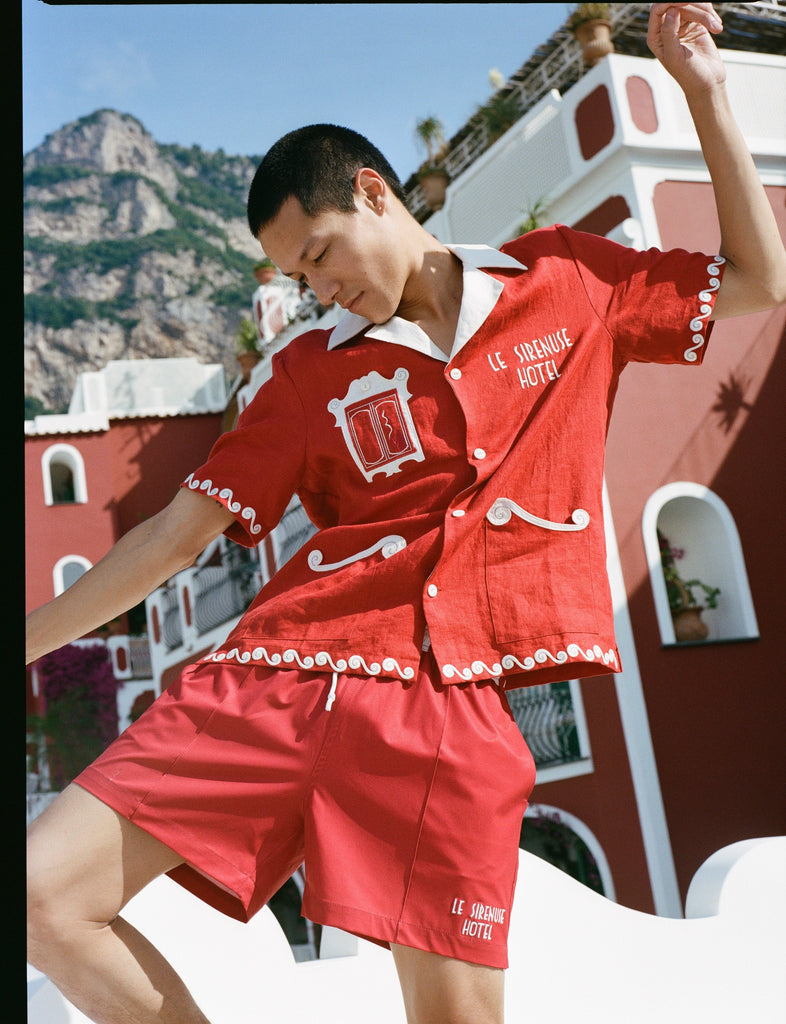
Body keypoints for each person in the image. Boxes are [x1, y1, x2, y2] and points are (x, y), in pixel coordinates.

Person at [26, 6, 786, 1023]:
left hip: (448, 710)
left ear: (374, 194)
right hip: (279, 676)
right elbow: (176, 534)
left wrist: (704, 94)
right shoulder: (303, 376)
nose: (319, 286)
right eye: (300, 277)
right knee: (41, 891)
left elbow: (755, 282)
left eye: (322, 254)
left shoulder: (565, 282)